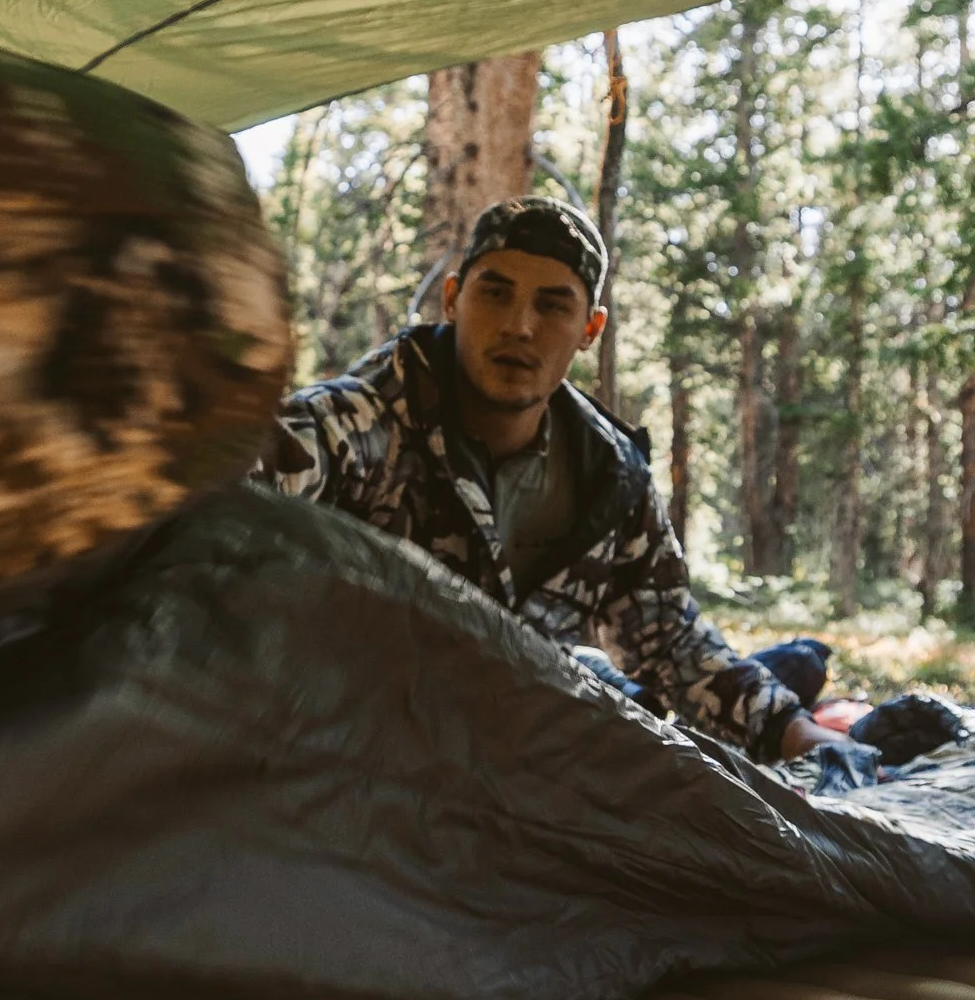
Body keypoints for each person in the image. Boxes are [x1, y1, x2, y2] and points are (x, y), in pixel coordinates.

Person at [262, 196, 845, 763]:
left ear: (590, 329)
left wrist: (795, 732)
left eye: (552, 305)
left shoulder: (608, 476)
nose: (519, 326)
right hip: (349, 760)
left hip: (526, 768)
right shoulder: (354, 426)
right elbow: (246, 484)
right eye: (494, 293)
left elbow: (670, 639)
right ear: (452, 300)